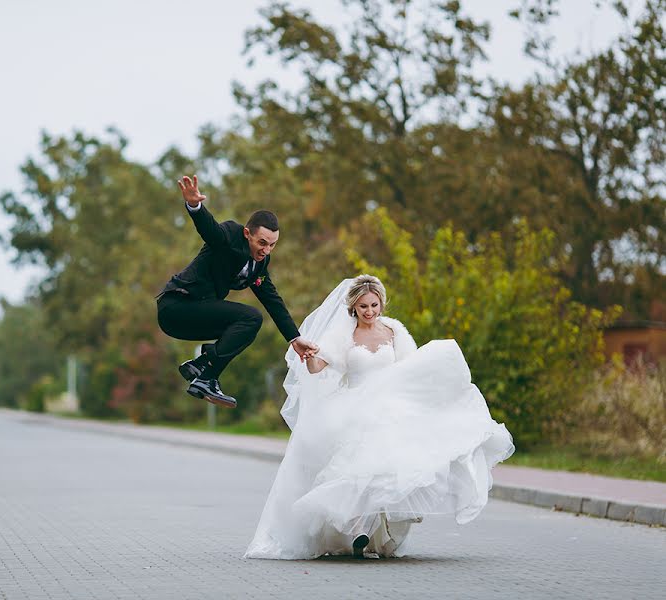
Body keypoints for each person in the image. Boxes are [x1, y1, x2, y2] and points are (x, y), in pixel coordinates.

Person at [245, 275, 515, 559]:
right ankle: (359, 525)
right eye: (363, 306)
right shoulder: (343, 335)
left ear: (382, 304)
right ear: (354, 308)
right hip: (354, 406)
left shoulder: (394, 331)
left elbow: (412, 369)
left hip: (391, 406)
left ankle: (384, 528)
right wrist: (309, 355)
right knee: (357, 465)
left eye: (374, 305)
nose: (370, 311)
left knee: (391, 465)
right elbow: (317, 367)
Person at [156, 175, 318, 408]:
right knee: (250, 317)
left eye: (272, 245)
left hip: (192, 316)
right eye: (262, 242)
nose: (266, 250)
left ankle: (202, 368)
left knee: (246, 326)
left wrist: (295, 338)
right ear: (247, 234)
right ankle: (206, 373)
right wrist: (195, 206)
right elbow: (210, 230)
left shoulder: (259, 264)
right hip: (177, 306)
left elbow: (272, 299)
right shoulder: (231, 235)